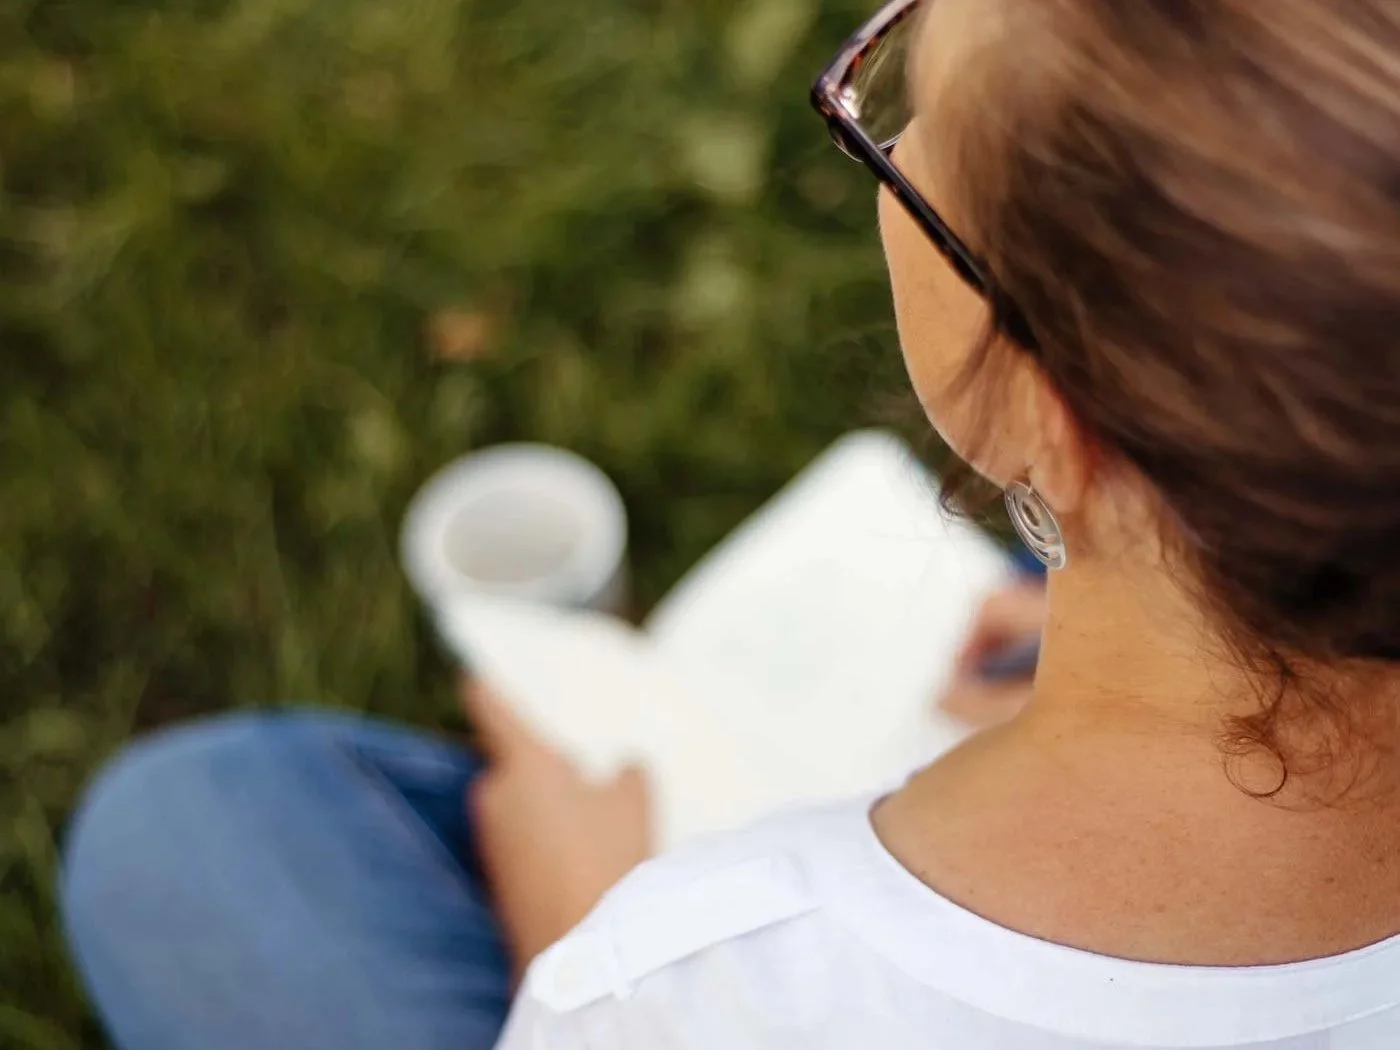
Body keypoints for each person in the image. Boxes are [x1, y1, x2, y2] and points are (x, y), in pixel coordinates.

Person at [58, 0, 1400, 1046]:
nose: (893, 140)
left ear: (1056, 418)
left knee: (191, 826)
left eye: (908, 102)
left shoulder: (690, 980)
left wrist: (580, 939)